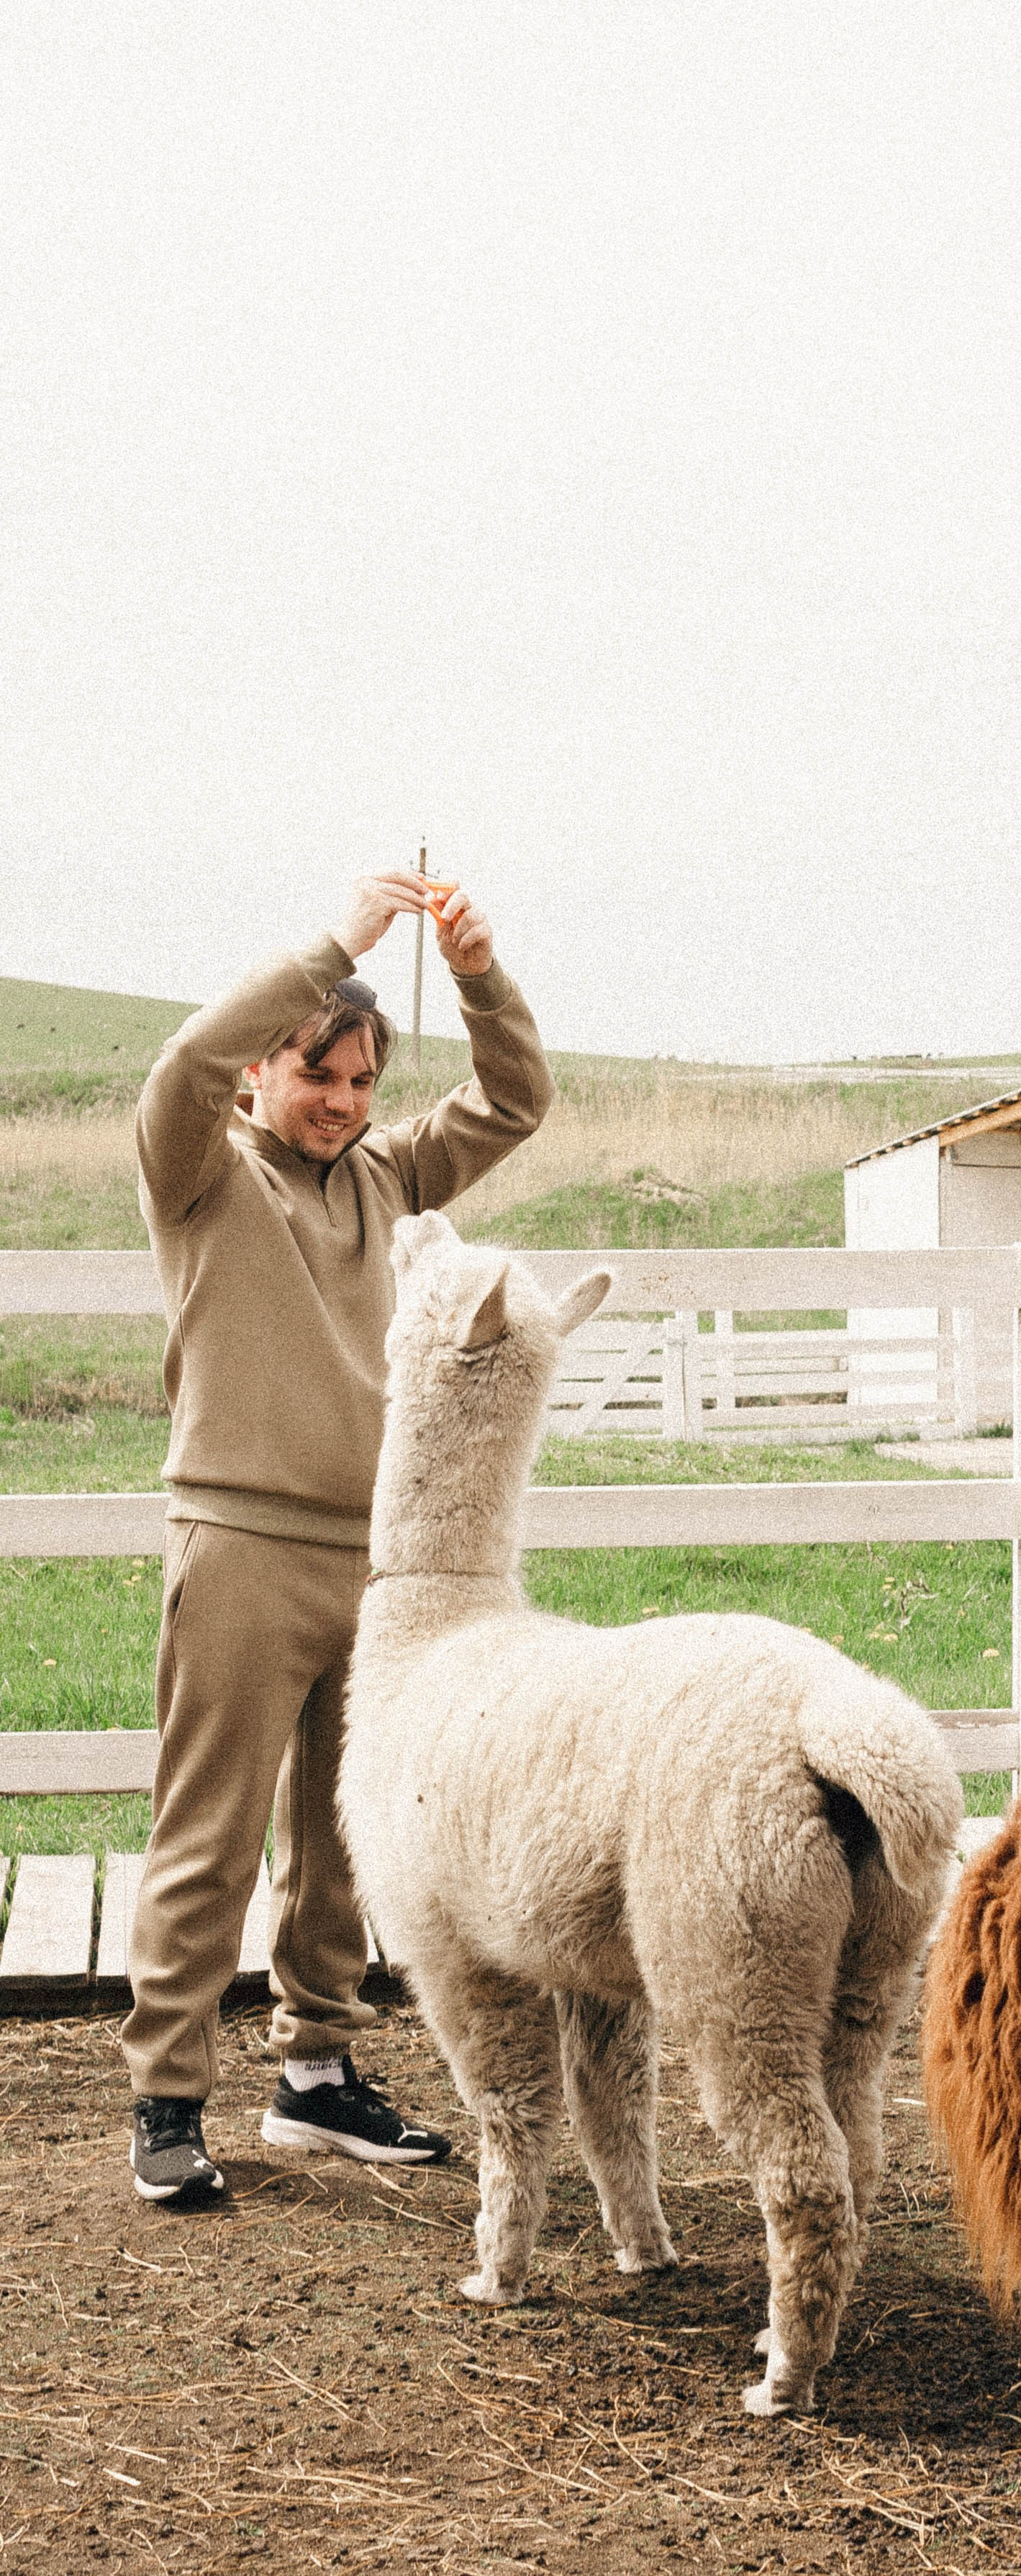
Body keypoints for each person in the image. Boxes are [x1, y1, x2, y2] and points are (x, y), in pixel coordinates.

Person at [122, 871, 554, 2203]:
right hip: (241, 1550)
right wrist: (335, 948)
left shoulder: (390, 1177)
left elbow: (515, 1100)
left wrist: (476, 973)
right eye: (318, 1074)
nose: (343, 1102)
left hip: (375, 1567)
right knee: (209, 1835)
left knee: (343, 1840)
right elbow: (183, 1064)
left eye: (363, 1080)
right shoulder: (198, 1172)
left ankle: (314, 2078)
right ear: (261, 1072)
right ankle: (167, 2100)